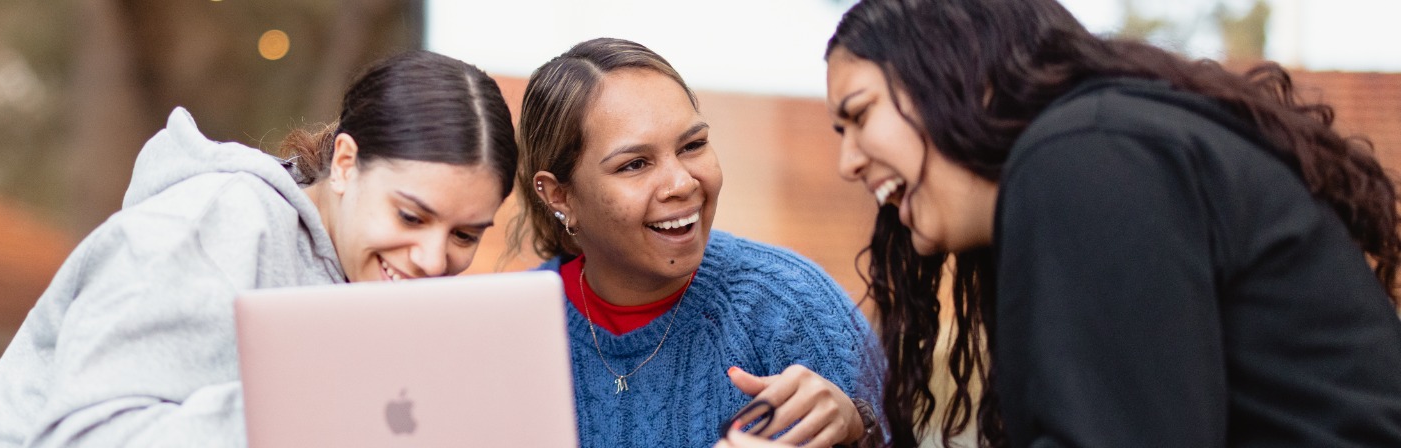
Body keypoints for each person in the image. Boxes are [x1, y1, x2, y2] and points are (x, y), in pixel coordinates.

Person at [817, 0, 1401, 446]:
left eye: (860, 113)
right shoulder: (1098, 153)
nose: (848, 163)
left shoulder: (1085, 160)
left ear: (955, 70)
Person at [0, 50, 519, 447]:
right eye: (410, 215)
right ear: (345, 164)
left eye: (465, 234)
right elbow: (85, 439)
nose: (431, 258)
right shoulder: (210, 225)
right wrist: (327, 406)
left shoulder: (364, 282)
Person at [513, 37, 884, 448]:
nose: (682, 183)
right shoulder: (511, 332)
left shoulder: (792, 306)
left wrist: (859, 432)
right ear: (558, 194)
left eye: (692, 146)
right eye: (634, 164)